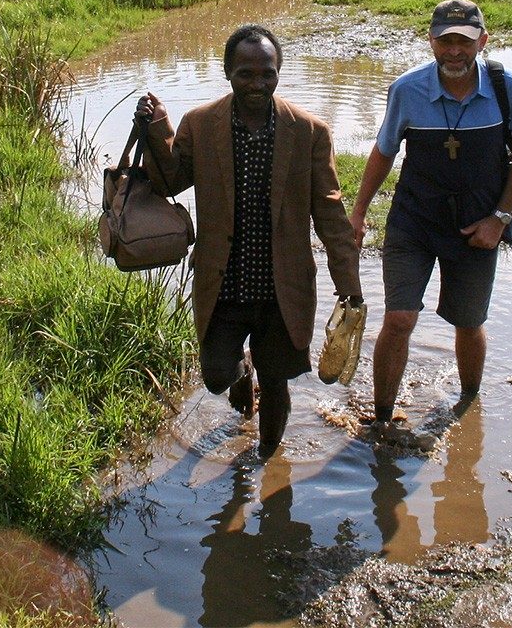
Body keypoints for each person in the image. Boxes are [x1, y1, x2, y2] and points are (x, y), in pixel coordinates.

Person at [136, 24, 362, 457]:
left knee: (276, 381)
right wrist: (157, 128)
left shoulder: (308, 131)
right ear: (228, 73)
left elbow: (331, 214)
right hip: (224, 282)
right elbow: (169, 182)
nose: (257, 84)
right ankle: (243, 373)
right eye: (246, 74)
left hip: (283, 286)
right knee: (216, 374)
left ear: (279, 73)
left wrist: (348, 285)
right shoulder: (201, 124)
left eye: (267, 74)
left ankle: (267, 463)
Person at [349, 0, 512, 427]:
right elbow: (384, 152)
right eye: (445, 41)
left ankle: (468, 408)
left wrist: (500, 218)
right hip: (414, 220)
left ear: (483, 41)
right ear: (431, 41)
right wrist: (359, 211)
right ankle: (381, 420)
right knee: (399, 318)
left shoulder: (507, 88)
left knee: (468, 321)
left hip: (476, 225)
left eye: (464, 41)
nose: (454, 51)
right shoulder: (407, 90)